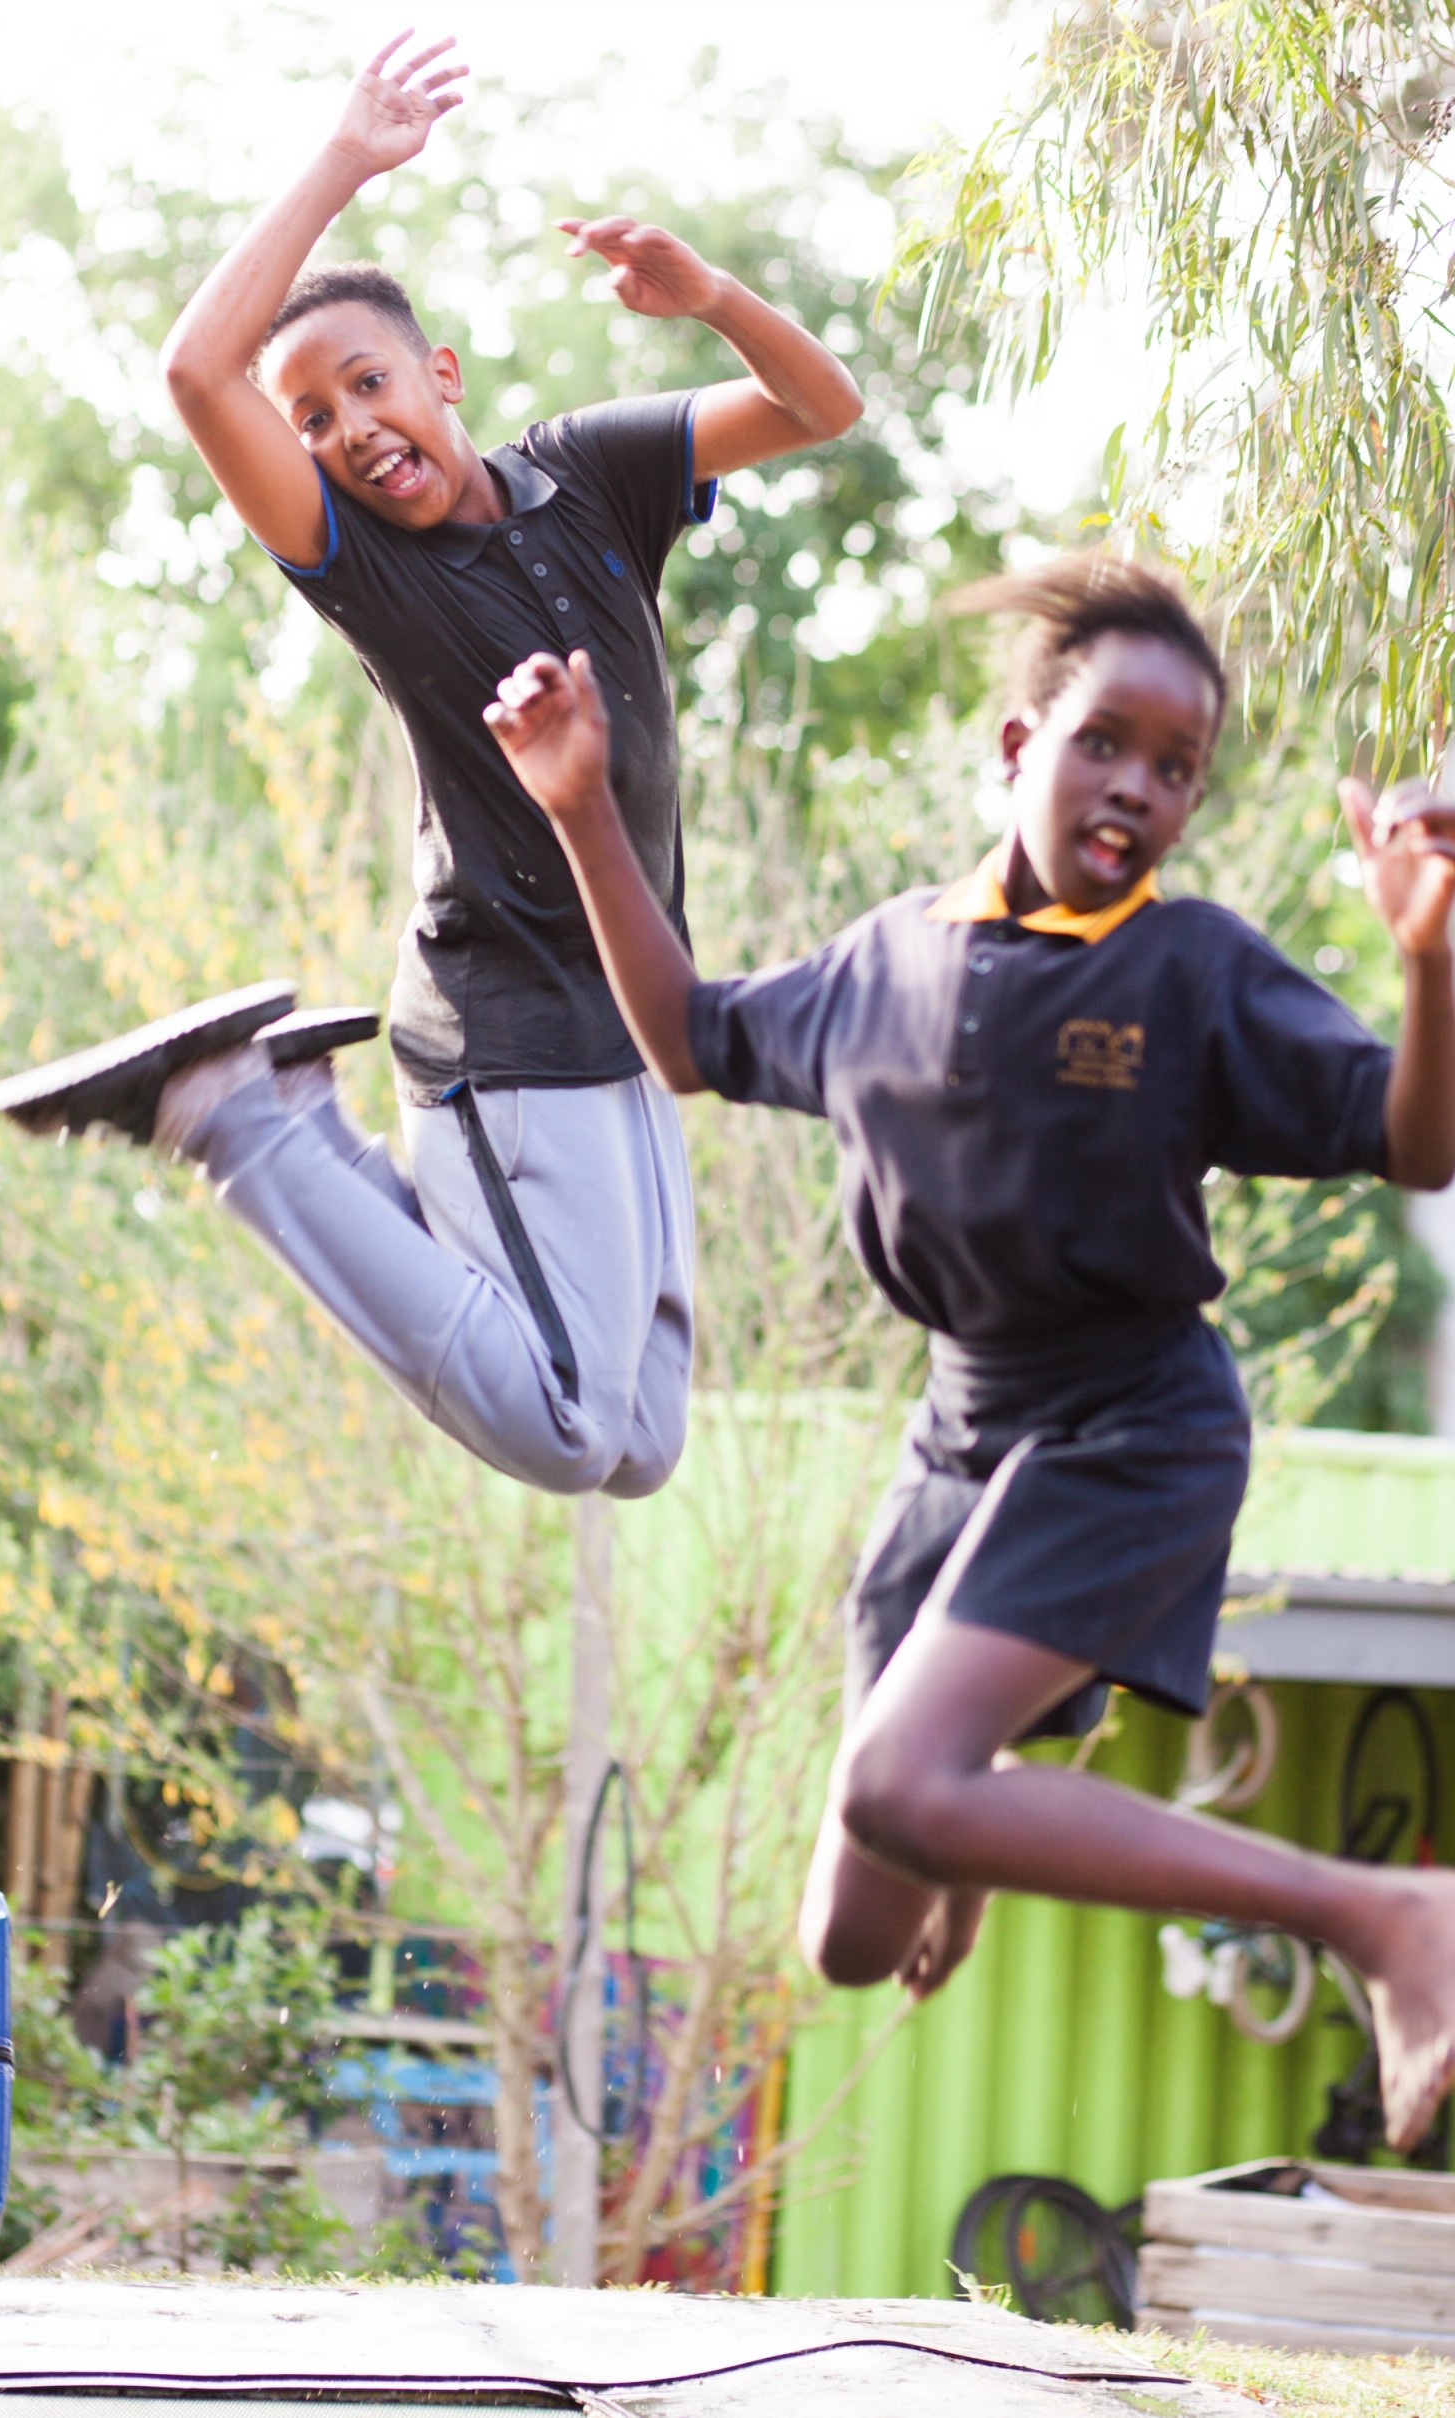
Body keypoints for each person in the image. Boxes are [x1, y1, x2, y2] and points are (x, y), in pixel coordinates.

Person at [480, 557, 1455, 2150]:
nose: (1137, 785)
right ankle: (975, 1799)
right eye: (1105, 741)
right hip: (959, 1441)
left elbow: (1416, 1142)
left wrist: (1427, 958)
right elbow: (688, 1037)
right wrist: (581, 803)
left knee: (898, 1787)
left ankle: (1388, 1914)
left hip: (1133, 1425)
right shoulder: (887, 961)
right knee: (850, 1936)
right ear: (1018, 748)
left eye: (1177, 766)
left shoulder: (1192, 970)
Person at [0, 29, 861, 1500]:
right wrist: (347, 157)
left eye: (367, 384)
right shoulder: (361, 565)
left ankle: (291, 1119)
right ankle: (234, 1119)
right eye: (313, 420)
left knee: (640, 1443)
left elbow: (825, 408)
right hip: (502, 1030)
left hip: (634, 1013)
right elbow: (195, 369)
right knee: (568, 1427)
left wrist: (711, 298)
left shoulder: (591, 472)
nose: (350, 430)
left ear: (439, 372)